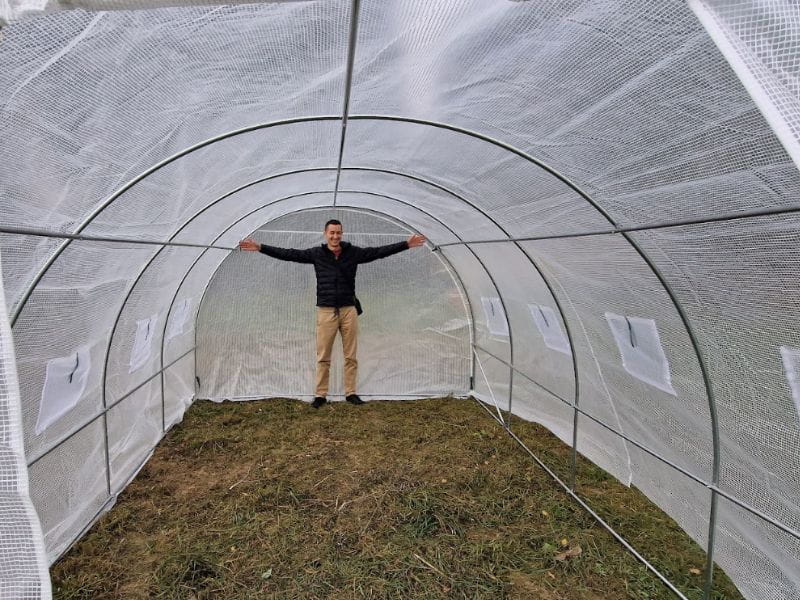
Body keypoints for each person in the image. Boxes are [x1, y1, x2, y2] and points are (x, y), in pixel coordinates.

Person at [239, 219, 426, 408]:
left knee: (350, 356)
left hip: (348, 310)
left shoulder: (353, 253)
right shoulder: (317, 254)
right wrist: (260, 247)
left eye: (338, 233)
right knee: (323, 356)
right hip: (326, 311)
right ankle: (320, 395)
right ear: (325, 234)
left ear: (341, 234)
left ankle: (351, 393)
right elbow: (289, 254)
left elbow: (378, 252)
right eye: (332, 233)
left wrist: (406, 244)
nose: (335, 236)